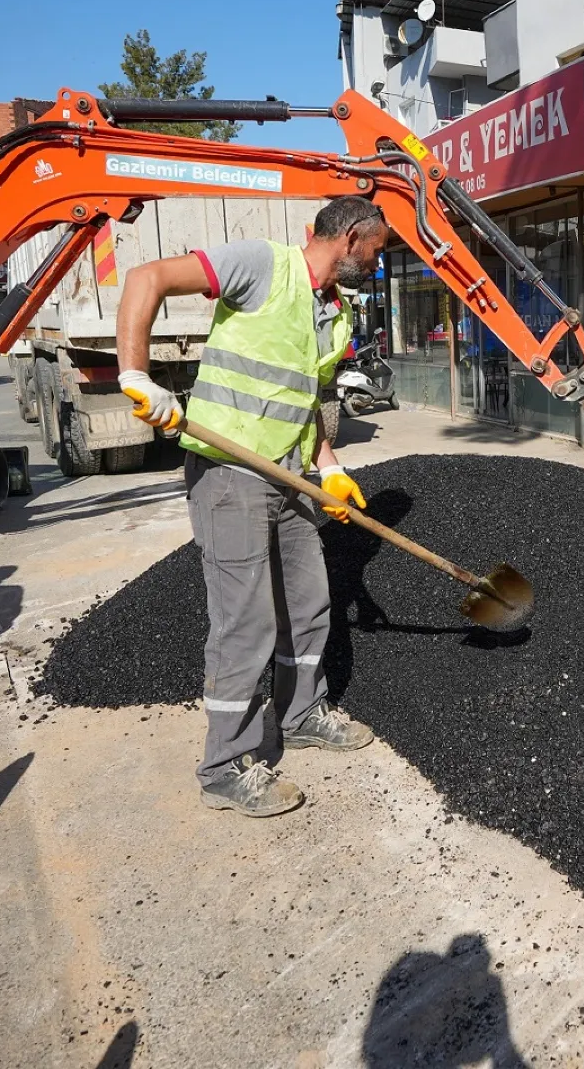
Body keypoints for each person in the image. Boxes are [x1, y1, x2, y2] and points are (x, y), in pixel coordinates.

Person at [116, 196, 389, 818]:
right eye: (377, 250)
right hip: (229, 475)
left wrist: (330, 465)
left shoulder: (338, 315)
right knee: (246, 621)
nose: (378, 262)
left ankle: (300, 714)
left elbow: (309, 401)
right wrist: (136, 376)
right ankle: (225, 766)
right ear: (351, 238)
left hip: (289, 478)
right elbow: (145, 277)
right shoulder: (264, 265)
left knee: (309, 599)